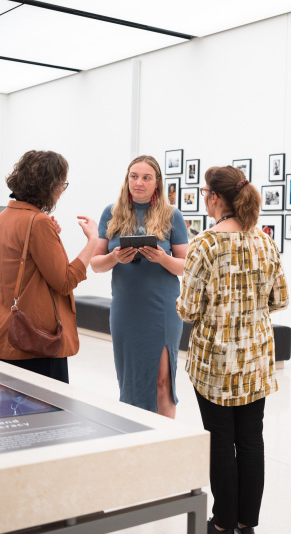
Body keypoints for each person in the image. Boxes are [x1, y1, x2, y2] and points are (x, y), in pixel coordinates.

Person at [177, 166, 288, 534]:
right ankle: (246, 522)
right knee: (251, 439)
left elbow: (189, 310)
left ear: (215, 198)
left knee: (221, 441)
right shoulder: (265, 242)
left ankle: (223, 523)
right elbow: (281, 299)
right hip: (256, 359)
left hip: (215, 363)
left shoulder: (204, 244)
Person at [90, 155, 188, 418]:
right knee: (130, 382)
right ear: (127, 179)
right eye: (134, 176)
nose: (139, 182)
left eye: (146, 177)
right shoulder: (111, 213)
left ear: (157, 183)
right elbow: (96, 264)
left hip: (162, 309)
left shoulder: (172, 215)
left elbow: (186, 266)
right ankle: (135, 442)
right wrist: (114, 258)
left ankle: (165, 445)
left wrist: (162, 258)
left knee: (162, 382)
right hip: (126, 310)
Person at [0, 150, 99, 383]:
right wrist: (93, 241)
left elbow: (25, 265)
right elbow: (65, 281)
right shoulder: (37, 222)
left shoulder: (3, 218)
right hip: (37, 339)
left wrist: (50, 238)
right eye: (62, 184)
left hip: (8, 333)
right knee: (45, 415)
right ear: (49, 186)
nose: (62, 191)